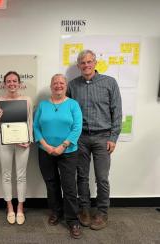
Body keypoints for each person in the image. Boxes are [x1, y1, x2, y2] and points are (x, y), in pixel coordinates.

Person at [67, 49, 122, 230]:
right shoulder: (73, 85)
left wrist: (113, 137)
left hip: (103, 137)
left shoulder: (109, 83)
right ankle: (84, 210)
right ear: (78, 66)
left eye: (89, 62)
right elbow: (68, 112)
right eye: (82, 63)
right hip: (81, 138)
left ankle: (102, 212)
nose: (86, 65)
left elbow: (117, 112)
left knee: (102, 178)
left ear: (95, 63)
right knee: (81, 177)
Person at [33, 74, 82, 239]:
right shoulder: (43, 105)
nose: (58, 85)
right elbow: (35, 126)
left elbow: (77, 127)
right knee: (51, 183)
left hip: (67, 152)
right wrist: (46, 146)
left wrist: (63, 146)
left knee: (69, 186)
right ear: (51, 85)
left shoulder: (73, 105)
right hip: (45, 151)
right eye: (55, 83)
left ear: (66, 86)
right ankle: (56, 212)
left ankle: (73, 220)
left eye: (61, 83)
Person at [0, 71, 33, 225]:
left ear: (19, 83)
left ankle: (20, 208)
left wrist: (29, 140)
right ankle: (10, 207)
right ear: (4, 84)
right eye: (8, 81)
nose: (11, 84)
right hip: (5, 142)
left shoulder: (27, 100)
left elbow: (30, 121)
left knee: (21, 176)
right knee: (6, 175)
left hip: (23, 143)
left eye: (14, 81)